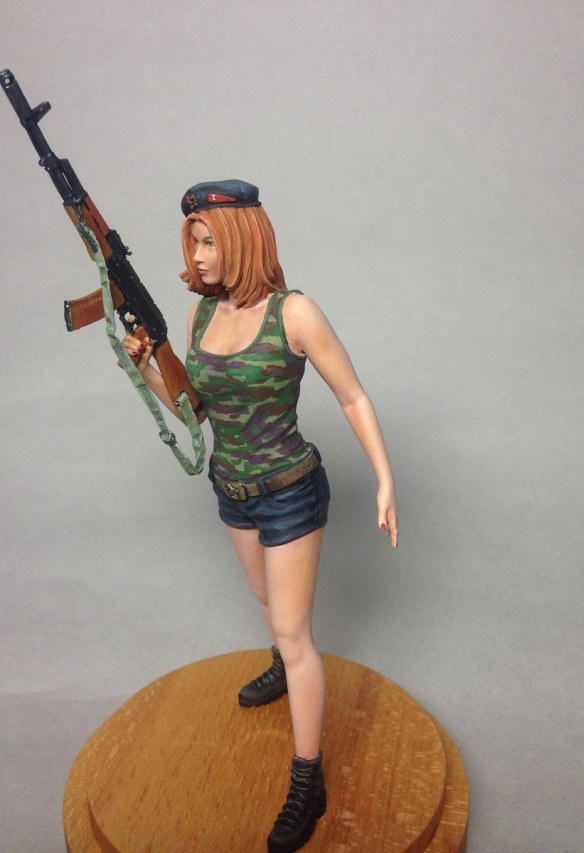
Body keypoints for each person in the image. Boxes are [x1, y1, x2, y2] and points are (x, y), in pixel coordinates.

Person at [123, 179, 398, 853]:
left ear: (244, 239)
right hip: (231, 487)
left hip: (289, 489)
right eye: (193, 241)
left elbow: (353, 396)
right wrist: (148, 370)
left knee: (294, 632)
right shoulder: (201, 315)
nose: (198, 255)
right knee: (267, 600)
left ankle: (309, 780)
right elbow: (196, 411)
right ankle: (281, 661)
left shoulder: (293, 313)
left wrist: (385, 479)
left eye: (209, 241)